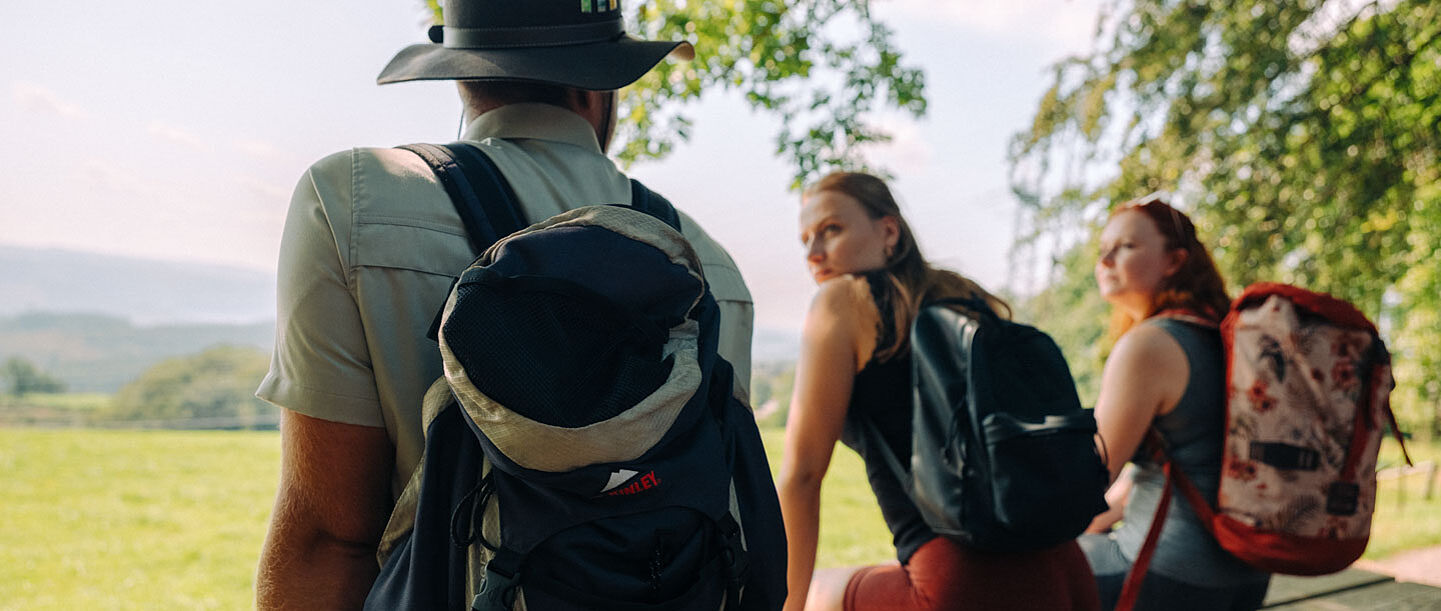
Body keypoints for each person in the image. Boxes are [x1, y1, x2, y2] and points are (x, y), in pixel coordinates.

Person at [252, 1, 755, 608]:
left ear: (464, 75)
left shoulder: (353, 201)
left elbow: (328, 541)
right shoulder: (708, 268)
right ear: (599, 89)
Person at [778, 171, 1098, 611]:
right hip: (1067, 572)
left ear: (888, 230)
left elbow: (802, 476)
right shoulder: (964, 296)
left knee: (817, 594)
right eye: (806, 240)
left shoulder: (841, 301)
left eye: (831, 230)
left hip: (958, 584)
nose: (814, 254)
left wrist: (786, 605)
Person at [1078, 195, 1270, 609]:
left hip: (1168, 579)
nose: (1106, 260)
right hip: (1247, 579)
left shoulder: (1149, 344)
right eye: (1102, 250)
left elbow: (1084, 482)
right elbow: (1154, 474)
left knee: (1009, 576)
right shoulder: (1224, 336)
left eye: (1125, 246)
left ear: (1174, 261)